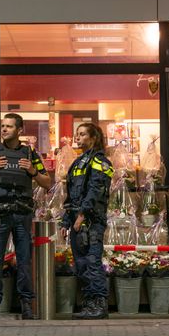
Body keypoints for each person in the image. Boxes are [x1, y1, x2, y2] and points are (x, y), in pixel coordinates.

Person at [0, 113, 52, 320]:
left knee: (24, 260)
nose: (4, 129)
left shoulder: (29, 153)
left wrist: (33, 171)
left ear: (20, 130)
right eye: (3, 126)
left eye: (9, 126)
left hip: (22, 214)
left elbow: (47, 183)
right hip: (0, 213)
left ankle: (26, 306)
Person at [62, 123, 113, 320]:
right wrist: (66, 221)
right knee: (81, 264)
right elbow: (71, 195)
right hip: (76, 219)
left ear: (93, 138)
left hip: (92, 221)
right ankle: (89, 304)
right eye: (77, 134)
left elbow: (95, 190)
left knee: (92, 262)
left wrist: (82, 215)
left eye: (82, 134)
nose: (78, 137)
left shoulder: (100, 161)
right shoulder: (78, 163)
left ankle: (99, 305)